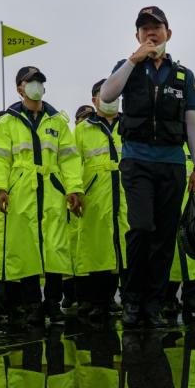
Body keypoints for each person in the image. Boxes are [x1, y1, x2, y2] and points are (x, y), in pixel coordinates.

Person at [98, 6, 195, 328]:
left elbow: (191, 122)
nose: (150, 33)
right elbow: (106, 96)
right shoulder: (127, 66)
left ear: (168, 33)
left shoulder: (183, 74)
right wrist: (134, 59)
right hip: (137, 160)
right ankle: (132, 300)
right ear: (137, 36)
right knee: (141, 228)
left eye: (156, 28)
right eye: (144, 29)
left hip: (171, 162)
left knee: (164, 236)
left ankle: (154, 304)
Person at [0, 66, 84, 325]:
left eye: (40, 81)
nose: (37, 86)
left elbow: (70, 158)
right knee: (26, 247)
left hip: (52, 189)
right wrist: (0, 188)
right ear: (20, 88)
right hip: (22, 190)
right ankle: (32, 304)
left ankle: (53, 303)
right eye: (32, 82)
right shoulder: (7, 122)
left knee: (55, 246)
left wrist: (74, 188)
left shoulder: (57, 122)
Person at [74, 80, 127, 319]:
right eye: (104, 95)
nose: (110, 98)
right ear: (94, 99)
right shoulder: (83, 129)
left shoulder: (130, 124)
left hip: (127, 192)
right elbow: (73, 163)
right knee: (98, 247)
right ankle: (99, 300)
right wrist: (75, 190)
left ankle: (127, 298)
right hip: (96, 194)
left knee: (126, 245)